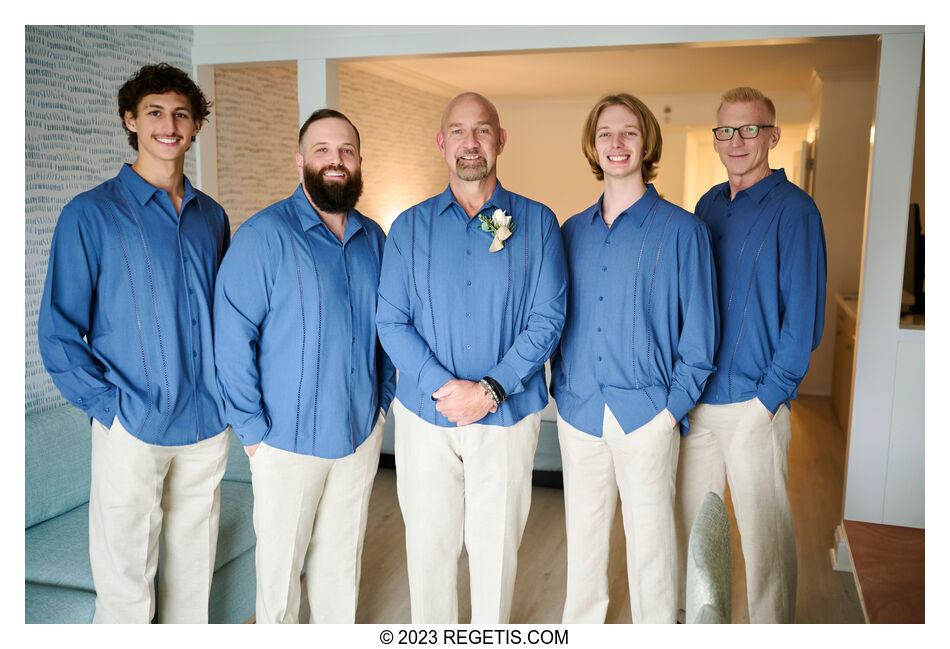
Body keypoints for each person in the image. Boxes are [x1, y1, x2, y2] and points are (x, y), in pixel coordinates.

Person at [37, 63, 231, 623]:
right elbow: (58, 329)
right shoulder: (90, 214)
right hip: (132, 424)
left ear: (194, 127)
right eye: (154, 112)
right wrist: (110, 411)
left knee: (192, 580)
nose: (168, 125)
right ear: (131, 119)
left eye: (181, 114)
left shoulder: (211, 217)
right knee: (125, 584)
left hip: (205, 423)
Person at [376, 92, 567, 623]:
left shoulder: (538, 223)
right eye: (458, 131)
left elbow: (546, 321)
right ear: (441, 143)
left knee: (495, 548)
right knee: (430, 548)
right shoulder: (408, 229)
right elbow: (391, 321)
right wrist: (446, 388)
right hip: (424, 415)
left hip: (506, 414)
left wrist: (489, 389)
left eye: (482, 130)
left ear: (500, 140)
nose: (470, 143)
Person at [213, 109, 395, 623]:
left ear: (359, 162)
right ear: (300, 161)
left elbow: (388, 329)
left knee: (341, 566)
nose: (335, 160)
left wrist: (381, 405)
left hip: (359, 435)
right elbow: (230, 338)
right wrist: (253, 432)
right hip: (283, 442)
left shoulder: (374, 238)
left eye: (346, 151)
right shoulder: (264, 236)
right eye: (322, 150)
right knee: (279, 576)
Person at [550, 93, 718, 623]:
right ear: (592, 146)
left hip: (647, 414)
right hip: (578, 412)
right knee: (582, 545)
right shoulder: (570, 231)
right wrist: (561, 387)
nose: (616, 143)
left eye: (628, 132)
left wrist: (671, 411)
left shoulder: (683, 230)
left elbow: (701, 335)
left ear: (647, 143)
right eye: (605, 133)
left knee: (651, 550)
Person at [674, 86, 827, 624]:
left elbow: (802, 323)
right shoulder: (708, 205)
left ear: (773, 135)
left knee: (765, 541)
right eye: (725, 130)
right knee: (696, 533)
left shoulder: (796, 211)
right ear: (715, 138)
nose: (735, 141)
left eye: (749, 129)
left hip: (755, 405)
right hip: (700, 404)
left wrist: (767, 404)